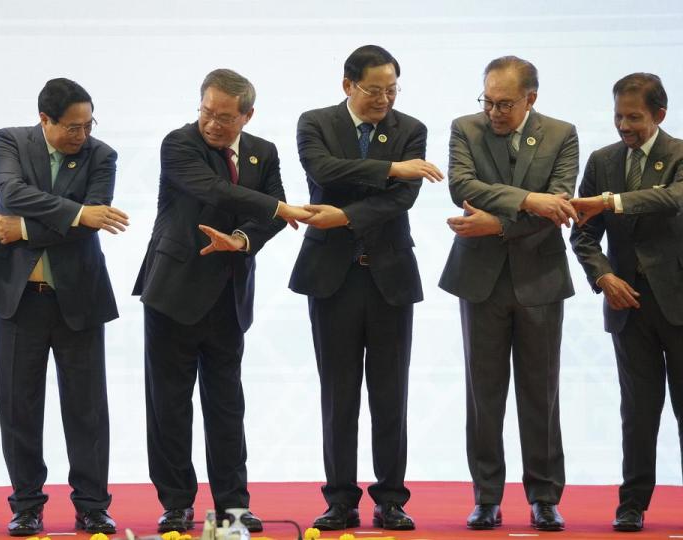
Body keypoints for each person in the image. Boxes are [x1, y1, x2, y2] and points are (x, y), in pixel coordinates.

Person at [133, 68, 310, 534]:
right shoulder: (179, 143)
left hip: (228, 296)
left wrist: (241, 239)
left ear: (247, 115)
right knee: (169, 403)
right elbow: (214, 190)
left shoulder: (263, 153)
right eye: (207, 112)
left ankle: (233, 504)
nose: (213, 123)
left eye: (225, 117)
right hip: (172, 291)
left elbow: (273, 212)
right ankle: (176, 503)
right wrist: (275, 209)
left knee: (227, 405)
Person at [288, 45, 443, 532]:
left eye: (391, 90)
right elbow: (323, 170)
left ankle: (391, 499)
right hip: (331, 277)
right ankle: (340, 499)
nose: (384, 99)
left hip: (389, 276)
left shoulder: (410, 129)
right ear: (347, 85)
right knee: (338, 393)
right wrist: (391, 168)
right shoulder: (315, 122)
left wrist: (348, 215)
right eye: (374, 89)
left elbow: (402, 200)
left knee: (390, 392)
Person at [0, 78, 126, 537]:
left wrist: (29, 230)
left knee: (87, 408)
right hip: (19, 298)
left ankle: (93, 505)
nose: (82, 134)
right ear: (45, 120)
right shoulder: (10, 141)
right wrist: (75, 212)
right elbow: (11, 193)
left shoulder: (103, 154)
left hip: (79, 296)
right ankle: (27, 505)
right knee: (18, 406)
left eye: (88, 124)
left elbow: (94, 221)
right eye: (72, 127)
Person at [438, 56, 579, 532]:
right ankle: (486, 497)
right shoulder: (466, 128)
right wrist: (525, 199)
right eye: (488, 101)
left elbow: (558, 204)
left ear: (530, 99)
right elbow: (461, 183)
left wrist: (497, 220)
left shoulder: (562, 134)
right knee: (485, 394)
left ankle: (544, 497)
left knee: (541, 394)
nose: (493, 112)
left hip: (540, 279)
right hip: (480, 282)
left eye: (504, 104)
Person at [569, 73, 683, 533]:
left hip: (677, 304)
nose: (624, 126)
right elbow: (582, 231)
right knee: (637, 412)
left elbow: (673, 199)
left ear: (659, 115)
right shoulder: (602, 160)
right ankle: (631, 505)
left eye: (633, 117)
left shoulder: (680, 155)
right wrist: (604, 274)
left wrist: (610, 202)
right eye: (618, 116)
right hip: (626, 306)